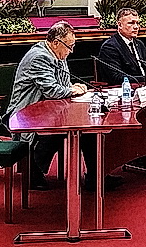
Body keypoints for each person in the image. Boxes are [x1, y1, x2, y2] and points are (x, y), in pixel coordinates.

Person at [6, 20, 121, 191]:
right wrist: (71, 90)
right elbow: (52, 90)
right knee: (55, 132)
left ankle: (95, 177)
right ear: (55, 42)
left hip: (51, 110)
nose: (71, 51)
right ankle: (33, 171)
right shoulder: (39, 57)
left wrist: (75, 87)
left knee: (90, 131)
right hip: (27, 114)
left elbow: (64, 85)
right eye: (69, 46)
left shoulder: (58, 54)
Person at [97, 8, 146, 86]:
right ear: (120, 25)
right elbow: (116, 77)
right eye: (131, 23)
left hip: (145, 88)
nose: (136, 27)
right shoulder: (110, 47)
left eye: (137, 23)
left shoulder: (139, 44)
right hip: (124, 89)